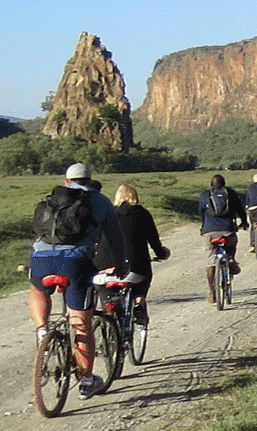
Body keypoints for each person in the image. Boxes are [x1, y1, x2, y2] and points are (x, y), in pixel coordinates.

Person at [27, 163, 128, 398]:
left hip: (41, 259)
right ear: (90, 181)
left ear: (66, 180)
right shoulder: (98, 200)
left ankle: (42, 330)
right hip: (75, 263)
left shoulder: (51, 199)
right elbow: (114, 237)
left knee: (37, 289)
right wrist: (121, 265)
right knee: (81, 322)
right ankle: (86, 381)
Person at [93, 183, 170, 324]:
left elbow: (96, 241)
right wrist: (161, 253)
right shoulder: (142, 213)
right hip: (133, 268)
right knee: (144, 276)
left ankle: (107, 313)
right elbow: (154, 240)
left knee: (103, 292)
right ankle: (138, 301)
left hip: (103, 268)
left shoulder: (106, 214)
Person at [198, 173, 246, 301]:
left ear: (211, 184)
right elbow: (240, 209)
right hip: (227, 230)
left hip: (210, 232)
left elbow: (201, 213)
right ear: (224, 183)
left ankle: (213, 293)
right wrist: (244, 222)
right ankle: (230, 258)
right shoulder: (230, 193)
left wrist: (204, 227)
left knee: (211, 264)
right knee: (232, 243)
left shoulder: (204, 195)